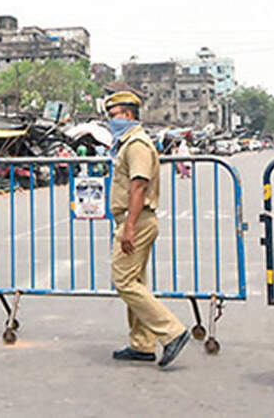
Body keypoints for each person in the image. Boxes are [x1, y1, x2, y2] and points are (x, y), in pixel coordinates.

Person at [104, 91, 190, 368]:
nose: (110, 121)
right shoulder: (128, 143)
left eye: (114, 115)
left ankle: (172, 331)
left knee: (123, 281)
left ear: (128, 115)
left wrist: (129, 227)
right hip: (133, 219)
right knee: (135, 281)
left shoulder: (137, 144)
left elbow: (138, 186)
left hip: (137, 221)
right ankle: (141, 344)